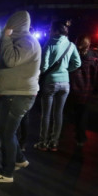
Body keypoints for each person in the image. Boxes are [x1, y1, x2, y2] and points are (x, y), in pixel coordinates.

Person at [0, 11, 41, 183]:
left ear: (15, 25)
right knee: (1, 128)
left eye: (8, 25)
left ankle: (6, 173)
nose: (5, 28)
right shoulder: (22, 40)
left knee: (7, 133)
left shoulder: (27, 41)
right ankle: (19, 159)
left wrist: (6, 38)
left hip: (17, 95)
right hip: (12, 93)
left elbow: (10, 60)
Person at [34, 19, 81, 152]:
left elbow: (44, 66)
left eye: (50, 30)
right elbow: (77, 63)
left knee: (46, 114)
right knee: (58, 113)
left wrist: (43, 73)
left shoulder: (49, 43)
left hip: (50, 82)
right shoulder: (71, 45)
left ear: (55, 31)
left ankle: (43, 142)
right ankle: (54, 143)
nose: (49, 32)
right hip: (65, 84)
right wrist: (65, 70)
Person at [69, 35, 98, 147]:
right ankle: (80, 137)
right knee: (83, 114)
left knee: (72, 112)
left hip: (72, 90)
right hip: (87, 91)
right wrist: (97, 89)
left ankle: (61, 136)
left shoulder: (71, 55)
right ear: (88, 44)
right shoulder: (96, 57)